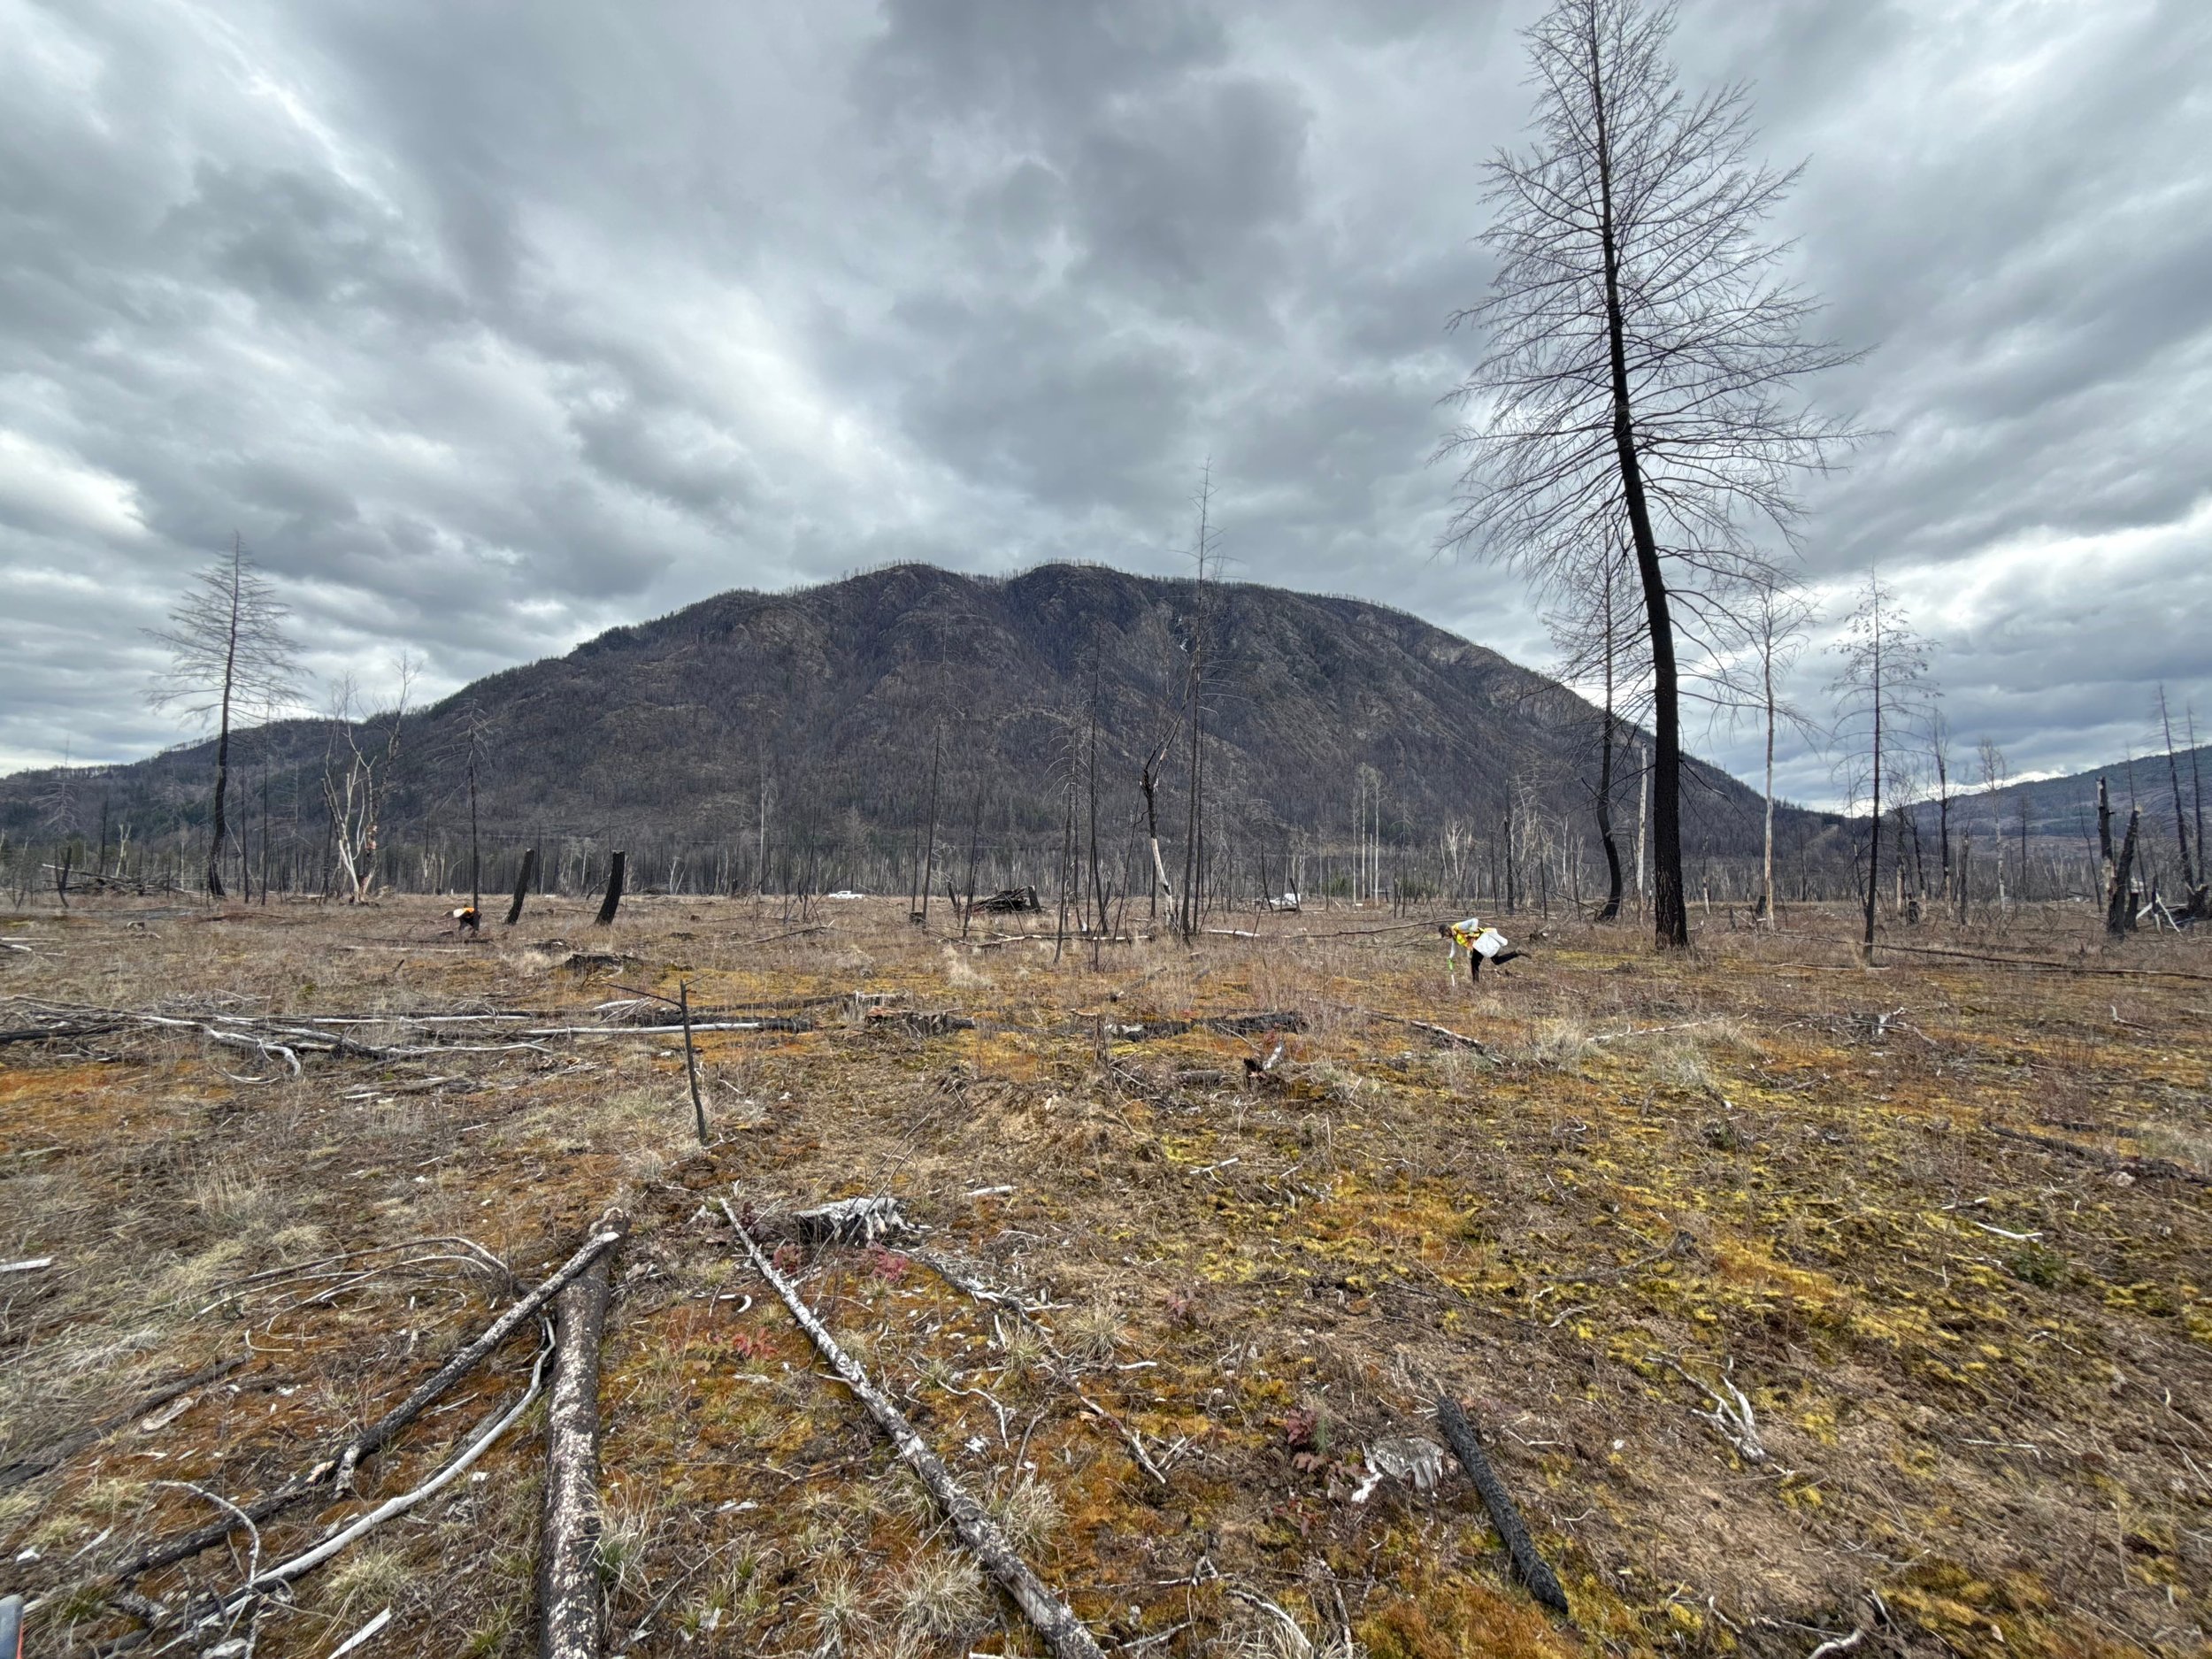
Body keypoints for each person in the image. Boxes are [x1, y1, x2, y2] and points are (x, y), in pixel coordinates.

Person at [1439, 916, 1524, 985]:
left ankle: (1476, 984)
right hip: (1479, 946)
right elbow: (1453, 948)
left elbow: (1475, 920)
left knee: (1474, 964)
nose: (1445, 936)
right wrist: (1450, 957)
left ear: (1447, 930)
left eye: (1444, 934)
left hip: (1482, 941)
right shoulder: (1454, 938)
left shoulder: (1459, 927)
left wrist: (1472, 933)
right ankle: (1516, 953)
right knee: (1496, 961)